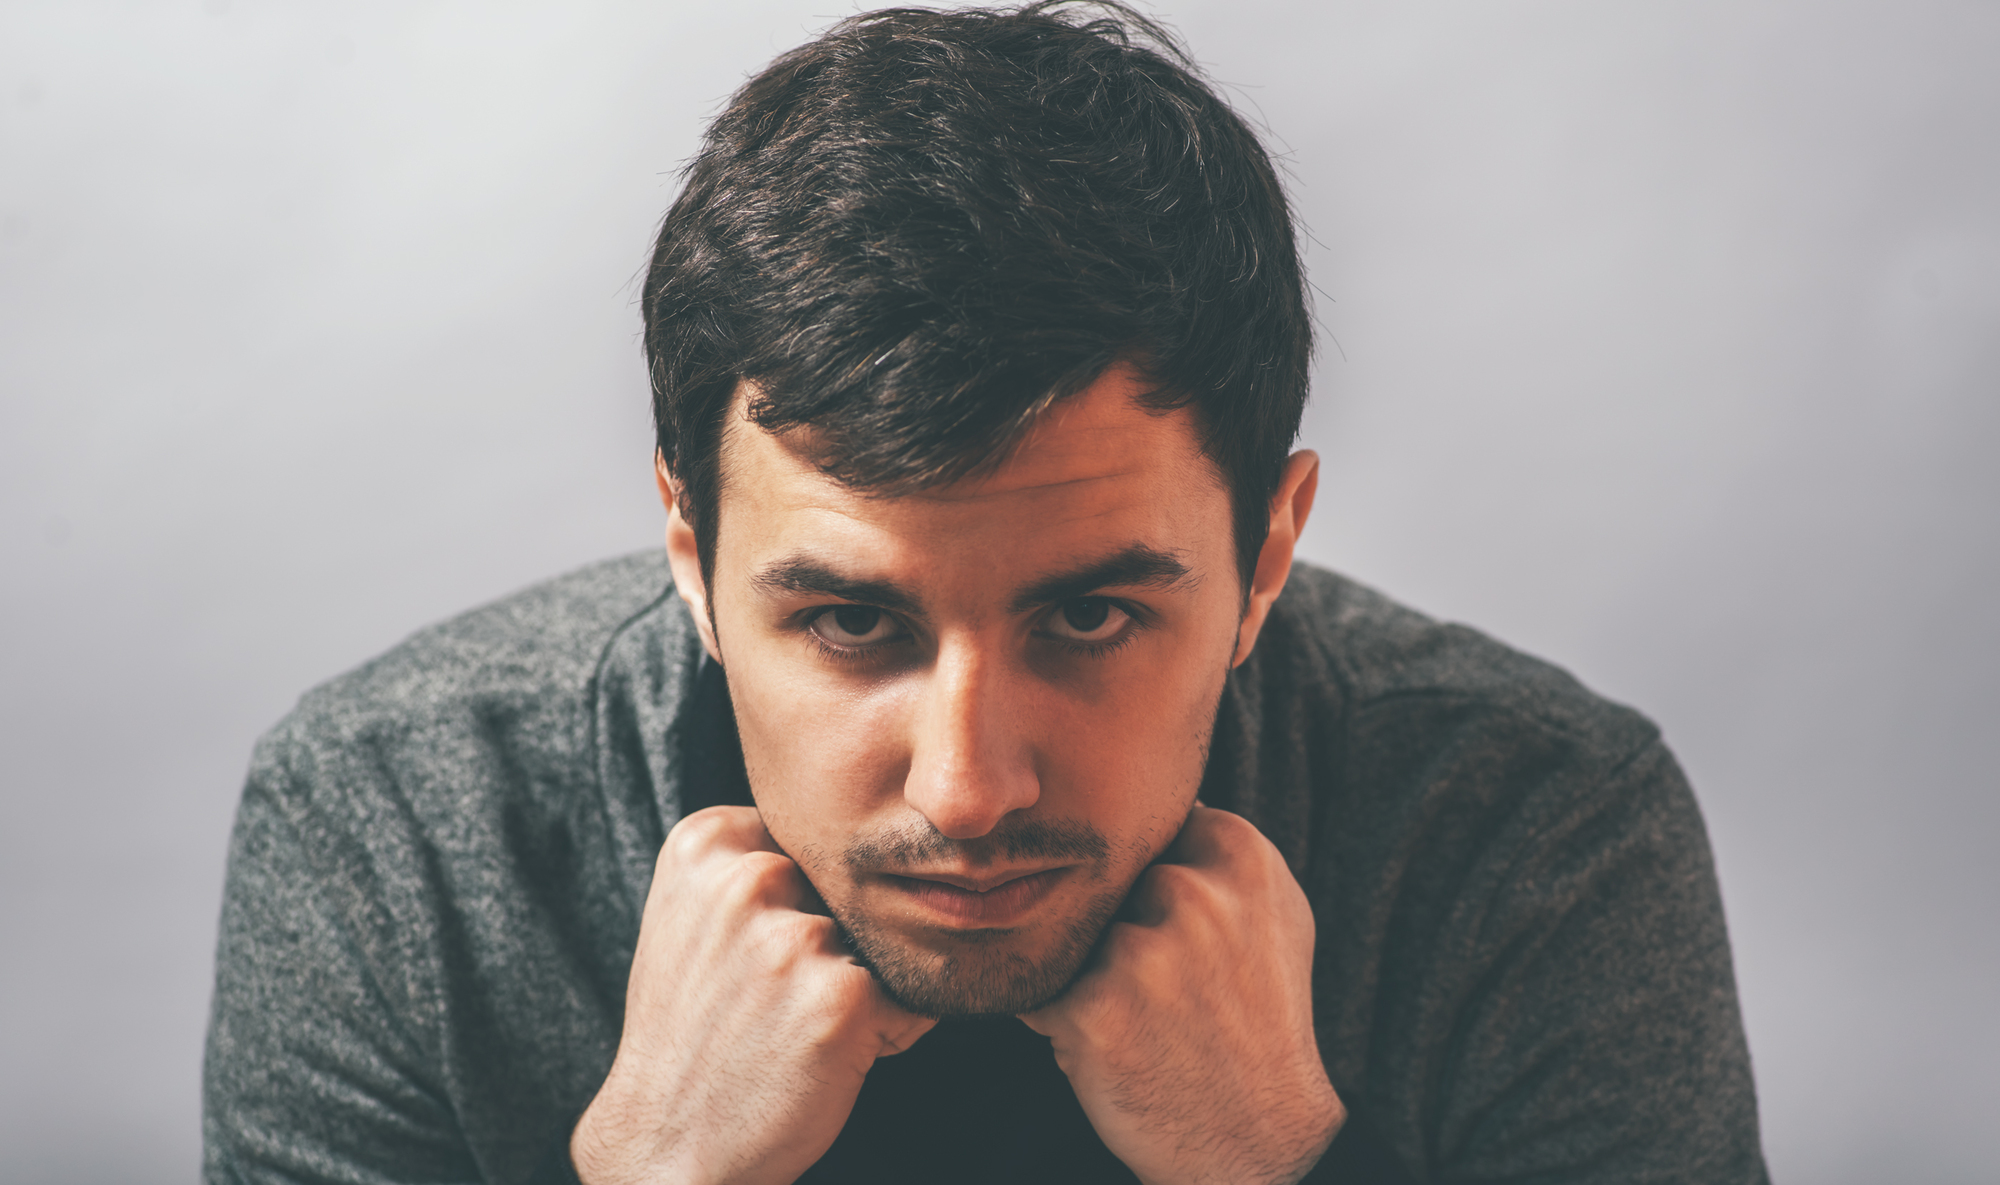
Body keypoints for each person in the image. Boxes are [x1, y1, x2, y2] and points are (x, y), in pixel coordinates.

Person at [202, 4, 1768, 1183]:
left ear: (1266, 554)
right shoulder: (392, 829)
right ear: (689, 550)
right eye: (849, 622)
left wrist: (1281, 1159)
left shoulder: (1532, 825)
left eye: (1089, 617)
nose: (965, 790)